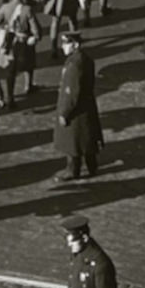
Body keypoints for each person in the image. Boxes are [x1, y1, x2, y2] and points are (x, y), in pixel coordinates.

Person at [53, 31, 103, 182]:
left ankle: (72, 170)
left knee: (73, 141)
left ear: (75, 45)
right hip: (87, 105)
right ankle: (92, 166)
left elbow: (71, 92)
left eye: (66, 43)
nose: (63, 47)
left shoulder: (74, 64)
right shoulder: (86, 59)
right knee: (87, 137)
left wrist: (64, 112)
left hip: (75, 110)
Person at [0, 0, 41, 108]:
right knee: (29, 63)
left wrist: (0, 30)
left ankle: (10, 98)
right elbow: (35, 29)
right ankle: (28, 85)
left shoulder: (5, 7)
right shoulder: (27, 9)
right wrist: (35, 37)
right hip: (22, 41)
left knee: (10, 71)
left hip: (9, 42)